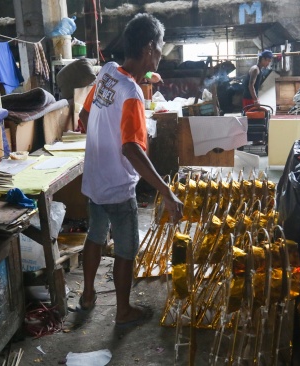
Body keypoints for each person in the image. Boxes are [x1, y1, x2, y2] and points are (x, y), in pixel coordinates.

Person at [78, 13, 184, 329]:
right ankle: (123, 311)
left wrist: (102, 136)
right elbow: (131, 148)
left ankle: (86, 295)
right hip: (117, 186)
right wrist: (166, 191)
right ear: (149, 47)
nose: (162, 53)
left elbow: (84, 115)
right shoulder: (132, 94)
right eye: (161, 46)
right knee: (126, 249)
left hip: (94, 178)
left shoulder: (108, 72)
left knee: (95, 236)